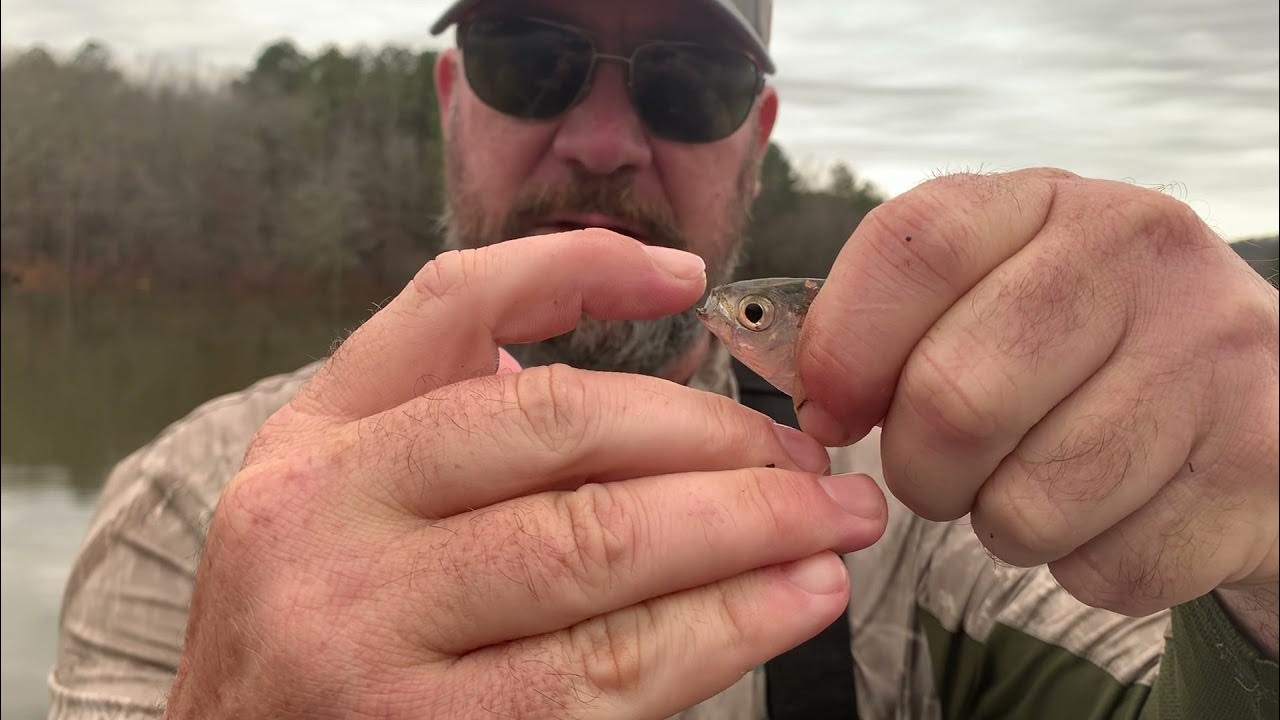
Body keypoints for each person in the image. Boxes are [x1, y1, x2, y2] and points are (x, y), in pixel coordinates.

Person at [48, 0, 1279, 717]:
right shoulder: (197, 505)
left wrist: (1262, 561)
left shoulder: (924, 505)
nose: (599, 142)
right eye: (528, 58)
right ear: (448, 96)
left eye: (686, 86)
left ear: (756, 136)